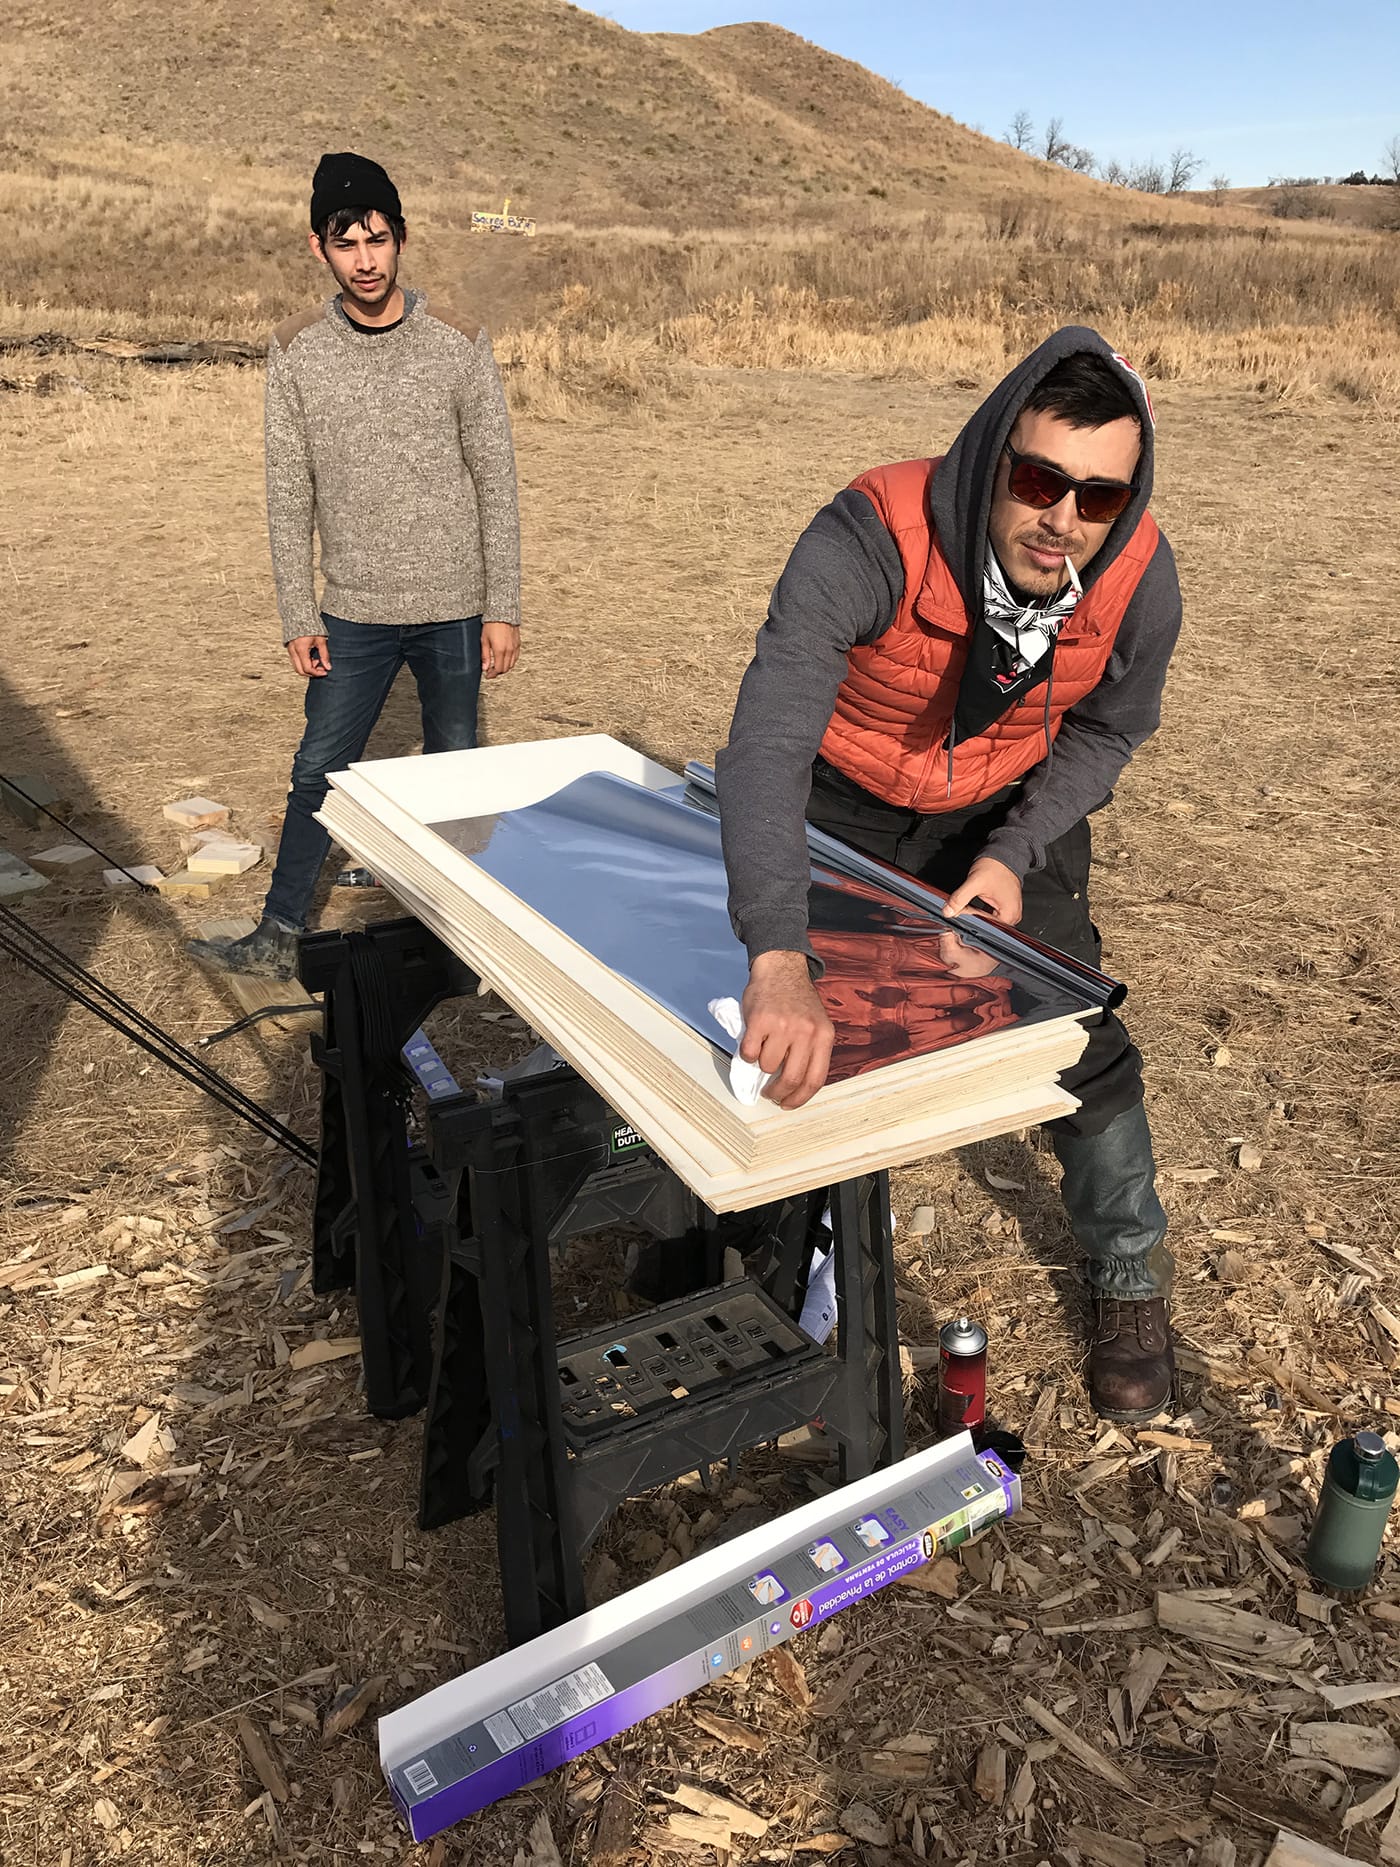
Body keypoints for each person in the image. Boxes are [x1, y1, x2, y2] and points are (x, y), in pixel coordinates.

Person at [714, 327, 1182, 1421]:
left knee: (1077, 1034)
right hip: (847, 791)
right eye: (1036, 480)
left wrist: (1012, 851)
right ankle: (783, 1258)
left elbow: (1111, 728)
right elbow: (766, 746)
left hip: (1005, 805)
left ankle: (1127, 1274)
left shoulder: (1135, 577)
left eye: (1098, 497)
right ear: (989, 456)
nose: (1062, 519)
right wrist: (778, 950)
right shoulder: (866, 535)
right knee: (808, 1031)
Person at [191, 151, 521, 980]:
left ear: (402, 239)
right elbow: (286, 492)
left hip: (454, 607)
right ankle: (277, 932)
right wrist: (298, 614)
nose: (367, 259)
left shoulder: (459, 340)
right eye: (348, 243)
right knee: (317, 769)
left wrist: (502, 603)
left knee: (457, 774)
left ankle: (466, 941)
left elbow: (497, 480)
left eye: (379, 238)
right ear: (319, 250)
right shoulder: (296, 350)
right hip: (352, 612)